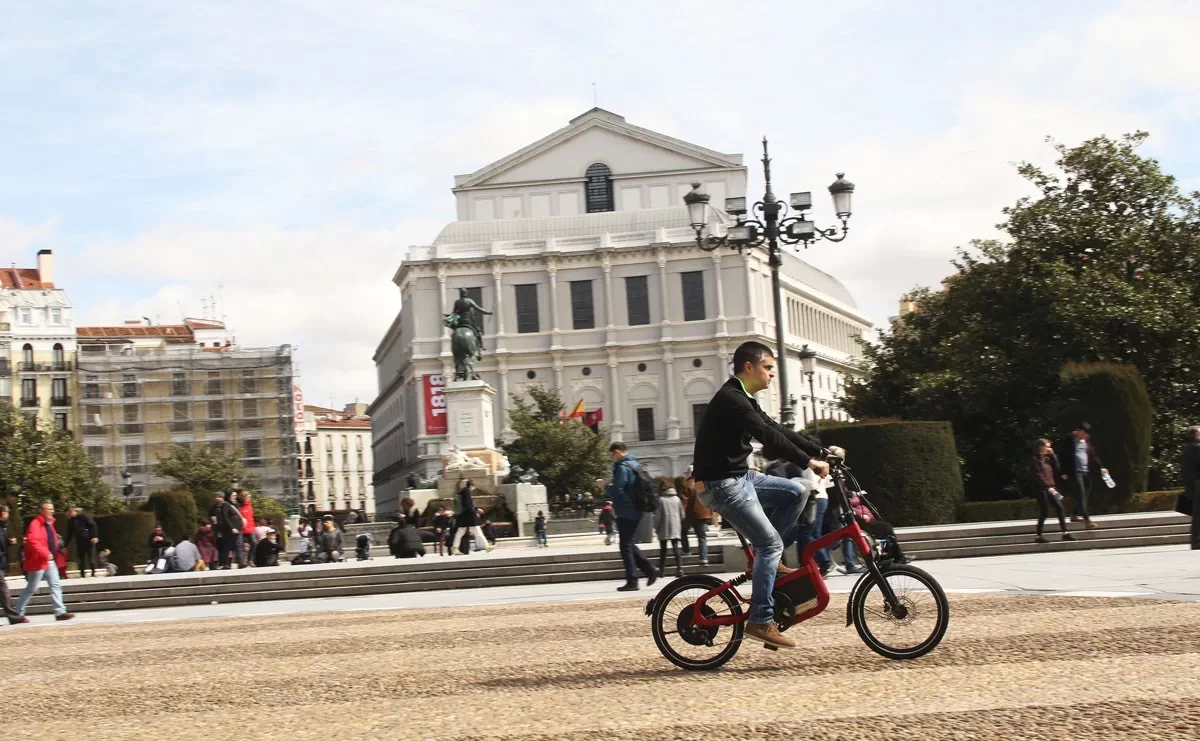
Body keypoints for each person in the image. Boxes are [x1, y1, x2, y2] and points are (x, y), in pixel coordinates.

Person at [692, 341, 826, 649]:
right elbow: (768, 437)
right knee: (770, 544)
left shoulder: (744, 399)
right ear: (749, 367)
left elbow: (776, 428)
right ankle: (760, 620)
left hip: (739, 477)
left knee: (796, 491)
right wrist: (808, 462)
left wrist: (821, 451)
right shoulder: (732, 399)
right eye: (768, 368)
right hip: (721, 485)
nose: (772, 375)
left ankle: (766, 564)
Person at [607, 441, 657, 591]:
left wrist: (605, 487)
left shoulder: (623, 467)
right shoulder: (635, 465)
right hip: (636, 509)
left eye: (612, 455)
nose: (613, 458)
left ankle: (633, 580)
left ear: (617, 452)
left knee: (626, 546)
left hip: (626, 510)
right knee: (628, 544)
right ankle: (649, 570)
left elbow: (617, 489)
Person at [12, 500, 74, 622]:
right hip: (38, 561)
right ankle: (18, 613)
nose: (52, 511)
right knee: (32, 588)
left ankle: (60, 611)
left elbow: (51, 539)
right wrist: (45, 553)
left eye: (52, 509)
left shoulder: (49, 524)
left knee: (55, 584)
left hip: (49, 560)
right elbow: (32, 541)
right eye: (49, 509)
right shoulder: (35, 524)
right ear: (42, 510)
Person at [1056, 423, 1109, 529]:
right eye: (1084, 433)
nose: (1085, 436)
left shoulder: (1087, 441)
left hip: (1086, 471)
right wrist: (1063, 472)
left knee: (1085, 495)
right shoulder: (1069, 440)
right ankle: (1087, 520)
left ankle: (1074, 514)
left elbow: (1093, 455)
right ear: (1079, 431)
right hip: (1074, 472)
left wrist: (1101, 467)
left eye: (1087, 434)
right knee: (1081, 494)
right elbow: (1062, 457)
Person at [1031, 438, 1074, 543]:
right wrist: (1047, 486)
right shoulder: (1035, 460)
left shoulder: (1047, 459)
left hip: (1051, 488)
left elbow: (1057, 468)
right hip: (1041, 488)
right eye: (1047, 446)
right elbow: (1038, 475)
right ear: (1040, 447)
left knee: (1059, 508)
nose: (1049, 448)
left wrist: (1053, 455)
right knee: (1044, 511)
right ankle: (1038, 535)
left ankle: (1065, 533)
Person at [450, 480, 493, 555]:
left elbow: (466, 504)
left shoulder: (463, 491)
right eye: (474, 487)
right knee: (477, 531)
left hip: (463, 516)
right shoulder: (466, 491)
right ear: (472, 486)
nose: (474, 489)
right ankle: (487, 547)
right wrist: (476, 510)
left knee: (460, 532)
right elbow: (468, 504)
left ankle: (455, 548)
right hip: (468, 516)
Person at [654, 479, 684, 578]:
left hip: (664, 526)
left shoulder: (661, 500)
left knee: (663, 550)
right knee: (676, 547)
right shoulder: (677, 499)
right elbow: (682, 514)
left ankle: (661, 571)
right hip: (675, 525)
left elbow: (658, 516)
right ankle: (679, 568)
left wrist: (656, 527)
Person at [679, 475, 713, 566]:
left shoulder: (687, 484)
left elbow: (684, 500)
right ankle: (704, 558)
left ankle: (686, 550)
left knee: (682, 531)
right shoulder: (705, 482)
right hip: (703, 513)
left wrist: (682, 514)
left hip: (690, 514)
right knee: (702, 537)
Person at [63, 506, 100, 578]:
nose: (69, 515)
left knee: (91, 558)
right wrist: (65, 545)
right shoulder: (70, 521)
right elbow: (69, 534)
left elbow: (93, 525)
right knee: (80, 559)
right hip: (79, 541)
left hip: (88, 540)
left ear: (73, 511)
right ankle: (82, 574)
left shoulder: (83, 517)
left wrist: (94, 536)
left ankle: (93, 573)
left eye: (70, 512)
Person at [0, 505, 20, 622]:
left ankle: (13, 617)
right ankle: (13, 616)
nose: (7, 515)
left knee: (3, 591)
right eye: (7, 513)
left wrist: (8, 542)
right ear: (2, 514)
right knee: (4, 590)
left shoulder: (3, 527)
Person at [1182, 425, 1200, 550]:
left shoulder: (1187, 449)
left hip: (1193, 484)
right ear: (1196, 435)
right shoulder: (1197, 448)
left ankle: (1196, 541)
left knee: (1197, 514)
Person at [237, 491, 257, 566]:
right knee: (240, 545)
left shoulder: (250, 505)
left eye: (249, 497)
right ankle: (241, 562)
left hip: (250, 527)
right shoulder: (239, 506)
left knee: (254, 543)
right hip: (242, 528)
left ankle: (250, 559)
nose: (249, 499)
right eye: (247, 497)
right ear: (243, 498)